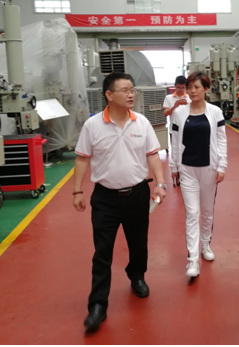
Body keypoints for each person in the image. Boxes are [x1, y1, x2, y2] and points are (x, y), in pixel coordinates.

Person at [73, 72, 168, 333]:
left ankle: (137, 275)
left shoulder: (142, 122)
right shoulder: (92, 126)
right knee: (102, 252)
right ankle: (97, 306)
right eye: (125, 90)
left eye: (132, 90)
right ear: (109, 95)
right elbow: (82, 158)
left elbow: (153, 155)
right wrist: (77, 191)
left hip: (137, 194)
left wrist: (160, 184)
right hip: (105, 198)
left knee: (138, 244)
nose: (131, 94)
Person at [169, 72, 228, 278]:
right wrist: (174, 166)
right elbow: (174, 141)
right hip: (187, 169)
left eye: (197, 87)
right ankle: (193, 260)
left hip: (209, 168)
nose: (192, 91)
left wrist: (222, 165)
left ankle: (205, 245)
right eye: (190, 87)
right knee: (192, 213)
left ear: (206, 89)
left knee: (207, 211)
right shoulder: (179, 113)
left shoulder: (215, 112)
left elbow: (221, 140)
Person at [163, 75, 192, 153]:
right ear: (175, 86)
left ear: (186, 87)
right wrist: (174, 107)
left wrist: (187, 104)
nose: (180, 90)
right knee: (175, 152)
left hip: (187, 129)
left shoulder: (189, 98)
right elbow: (165, 114)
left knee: (188, 152)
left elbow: (194, 113)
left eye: (183, 88)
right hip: (174, 130)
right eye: (178, 87)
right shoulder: (168, 98)